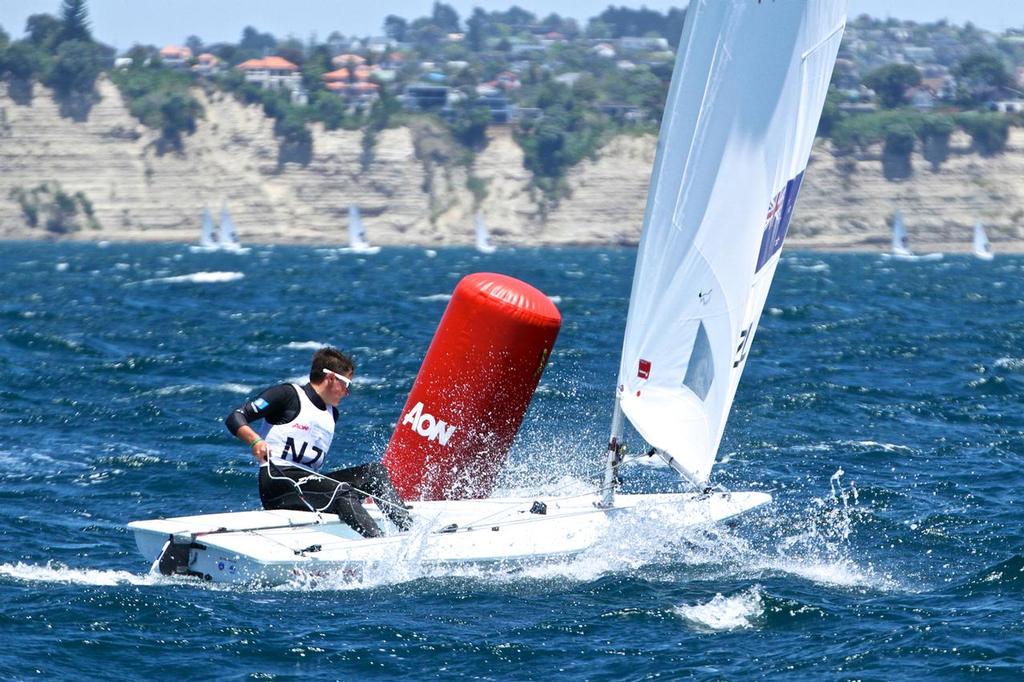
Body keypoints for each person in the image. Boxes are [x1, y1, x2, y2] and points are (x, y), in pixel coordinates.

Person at [225, 346, 411, 537]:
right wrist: (255, 441)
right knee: (342, 491)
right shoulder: (287, 395)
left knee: (374, 472)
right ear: (330, 378)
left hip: (307, 483)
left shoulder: (332, 413)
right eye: (346, 384)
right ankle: (378, 543)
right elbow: (236, 417)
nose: (347, 392)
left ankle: (409, 530)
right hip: (278, 483)